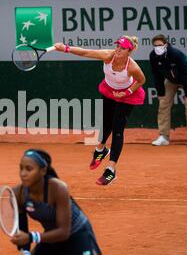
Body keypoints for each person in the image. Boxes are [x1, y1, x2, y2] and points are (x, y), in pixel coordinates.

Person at [54, 36, 146, 185]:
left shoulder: (132, 67)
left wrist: (127, 92)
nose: (118, 50)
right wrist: (65, 48)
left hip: (126, 96)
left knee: (117, 128)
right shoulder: (108, 56)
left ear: (130, 51)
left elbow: (141, 81)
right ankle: (101, 150)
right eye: (117, 46)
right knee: (105, 122)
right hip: (110, 90)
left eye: (122, 48)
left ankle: (111, 170)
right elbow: (85, 52)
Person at [10, 149, 102, 255]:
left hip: (77, 233)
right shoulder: (18, 194)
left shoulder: (58, 188)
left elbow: (64, 232)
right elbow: (22, 230)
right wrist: (25, 253)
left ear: (43, 170)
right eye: (21, 168)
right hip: (51, 237)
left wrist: (31, 237)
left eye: (29, 169)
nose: (23, 173)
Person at [149, 34, 187, 146]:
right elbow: (156, 75)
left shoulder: (175, 54)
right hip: (171, 80)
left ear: (166, 45)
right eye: (155, 45)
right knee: (163, 103)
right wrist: (160, 92)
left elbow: (184, 74)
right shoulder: (153, 56)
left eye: (160, 45)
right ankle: (163, 137)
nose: (157, 47)